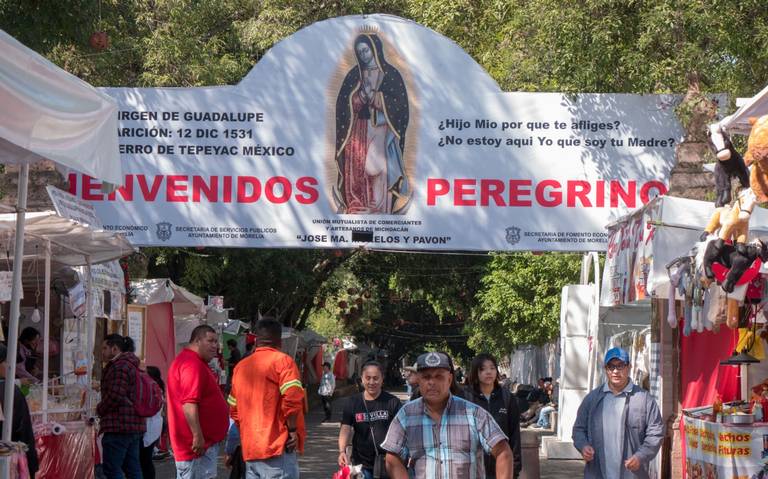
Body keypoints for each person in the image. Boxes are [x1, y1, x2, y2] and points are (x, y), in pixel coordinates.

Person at [382, 351, 514, 479]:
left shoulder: (473, 414)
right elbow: (392, 457)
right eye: (426, 377)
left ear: (449, 379)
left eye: (439, 377)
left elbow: (503, 452)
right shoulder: (406, 415)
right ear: (419, 380)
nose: (432, 382)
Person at [334, 33, 411, 215]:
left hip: (380, 128)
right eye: (359, 52)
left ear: (375, 49)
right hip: (357, 128)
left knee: (377, 168)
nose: (363, 55)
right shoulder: (354, 75)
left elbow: (400, 105)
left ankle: (378, 206)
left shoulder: (390, 74)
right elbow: (343, 104)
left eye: (366, 50)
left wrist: (375, 97)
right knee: (356, 167)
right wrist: (361, 96)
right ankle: (357, 204)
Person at [228, 317, 305, 479]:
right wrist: (292, 430)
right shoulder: (283, 362)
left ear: (256, 341)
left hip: (251, 450)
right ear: (280, 342)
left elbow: (234, 409)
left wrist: (248, 433)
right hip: (276, 447)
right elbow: (292, 398)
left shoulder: (240, 367)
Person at [572, 347, 664, 479]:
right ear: (606, 369)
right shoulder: (592, 399)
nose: (615, 371)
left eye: (620, 366)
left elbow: (656, 432)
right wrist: (583, 446)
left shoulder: (644, 399)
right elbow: (579, 429)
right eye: (611, 366)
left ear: (629, 367)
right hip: (597, 473)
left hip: (632, 474)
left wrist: (641, 456)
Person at [167, 325, 229, 479]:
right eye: (210, 341)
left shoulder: (194, 362)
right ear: (197, 341)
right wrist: (197, 436)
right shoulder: (191, 364)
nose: (215, 346)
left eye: (216, 342)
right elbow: (189, 403)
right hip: (197, 449)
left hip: (201, 447)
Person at [338, 361, 401, 479]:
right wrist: (342, 451)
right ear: (362, 379)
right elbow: (345, 428)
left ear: (382, 379)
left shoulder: (393, 402)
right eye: (368, 378)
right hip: (361, 463)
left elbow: (402, 430)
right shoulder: (352, 402)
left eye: (376, 378)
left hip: (387, 463)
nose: (371, 382)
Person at [465, 353, 522, 479]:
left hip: (502, 466)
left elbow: (515, 434)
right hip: (473, 468)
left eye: (492, 368)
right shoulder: (466, 397)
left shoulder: (507, 398)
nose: (488, 372)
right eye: (483, 369)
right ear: (475, 372)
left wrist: (515, 468)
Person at [97, 334, 144, 479]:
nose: (102, 352)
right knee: (133, 469)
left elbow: (115, 395)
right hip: (132, 425)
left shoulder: (119, 366)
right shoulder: (130, 364)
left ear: (115, 349)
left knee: (112, 469)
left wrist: (100, 409)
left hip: (119, 425)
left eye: (105, 348)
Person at [0, 342, 38, 477]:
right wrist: (32, 465)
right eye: (5, 362)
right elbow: (24, 430)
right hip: (7, 462)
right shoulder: (10, 391)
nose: (9, 366)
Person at [140, 366, 165, 479]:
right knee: (146, 460)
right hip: (154, 426)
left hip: (150, 427)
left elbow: (148, 409)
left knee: (145, 460)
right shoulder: (157, 388)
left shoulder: (152, 388)